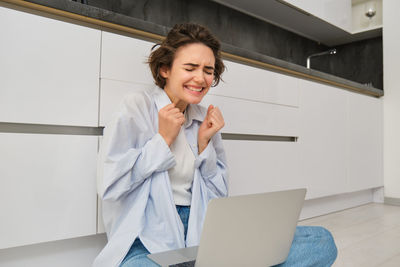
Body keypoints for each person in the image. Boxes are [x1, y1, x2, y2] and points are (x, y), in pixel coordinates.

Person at [94, 23, 337, 267]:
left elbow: (220, 195)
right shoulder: (137, 107)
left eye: (208, 70)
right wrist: (163, 140)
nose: (200, 78)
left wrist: (204, 146)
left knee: (322, 242)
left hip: (204, 231)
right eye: (190, 68)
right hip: (145, 239)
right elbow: (110, 185)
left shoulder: (203, 118)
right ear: (165, 69)